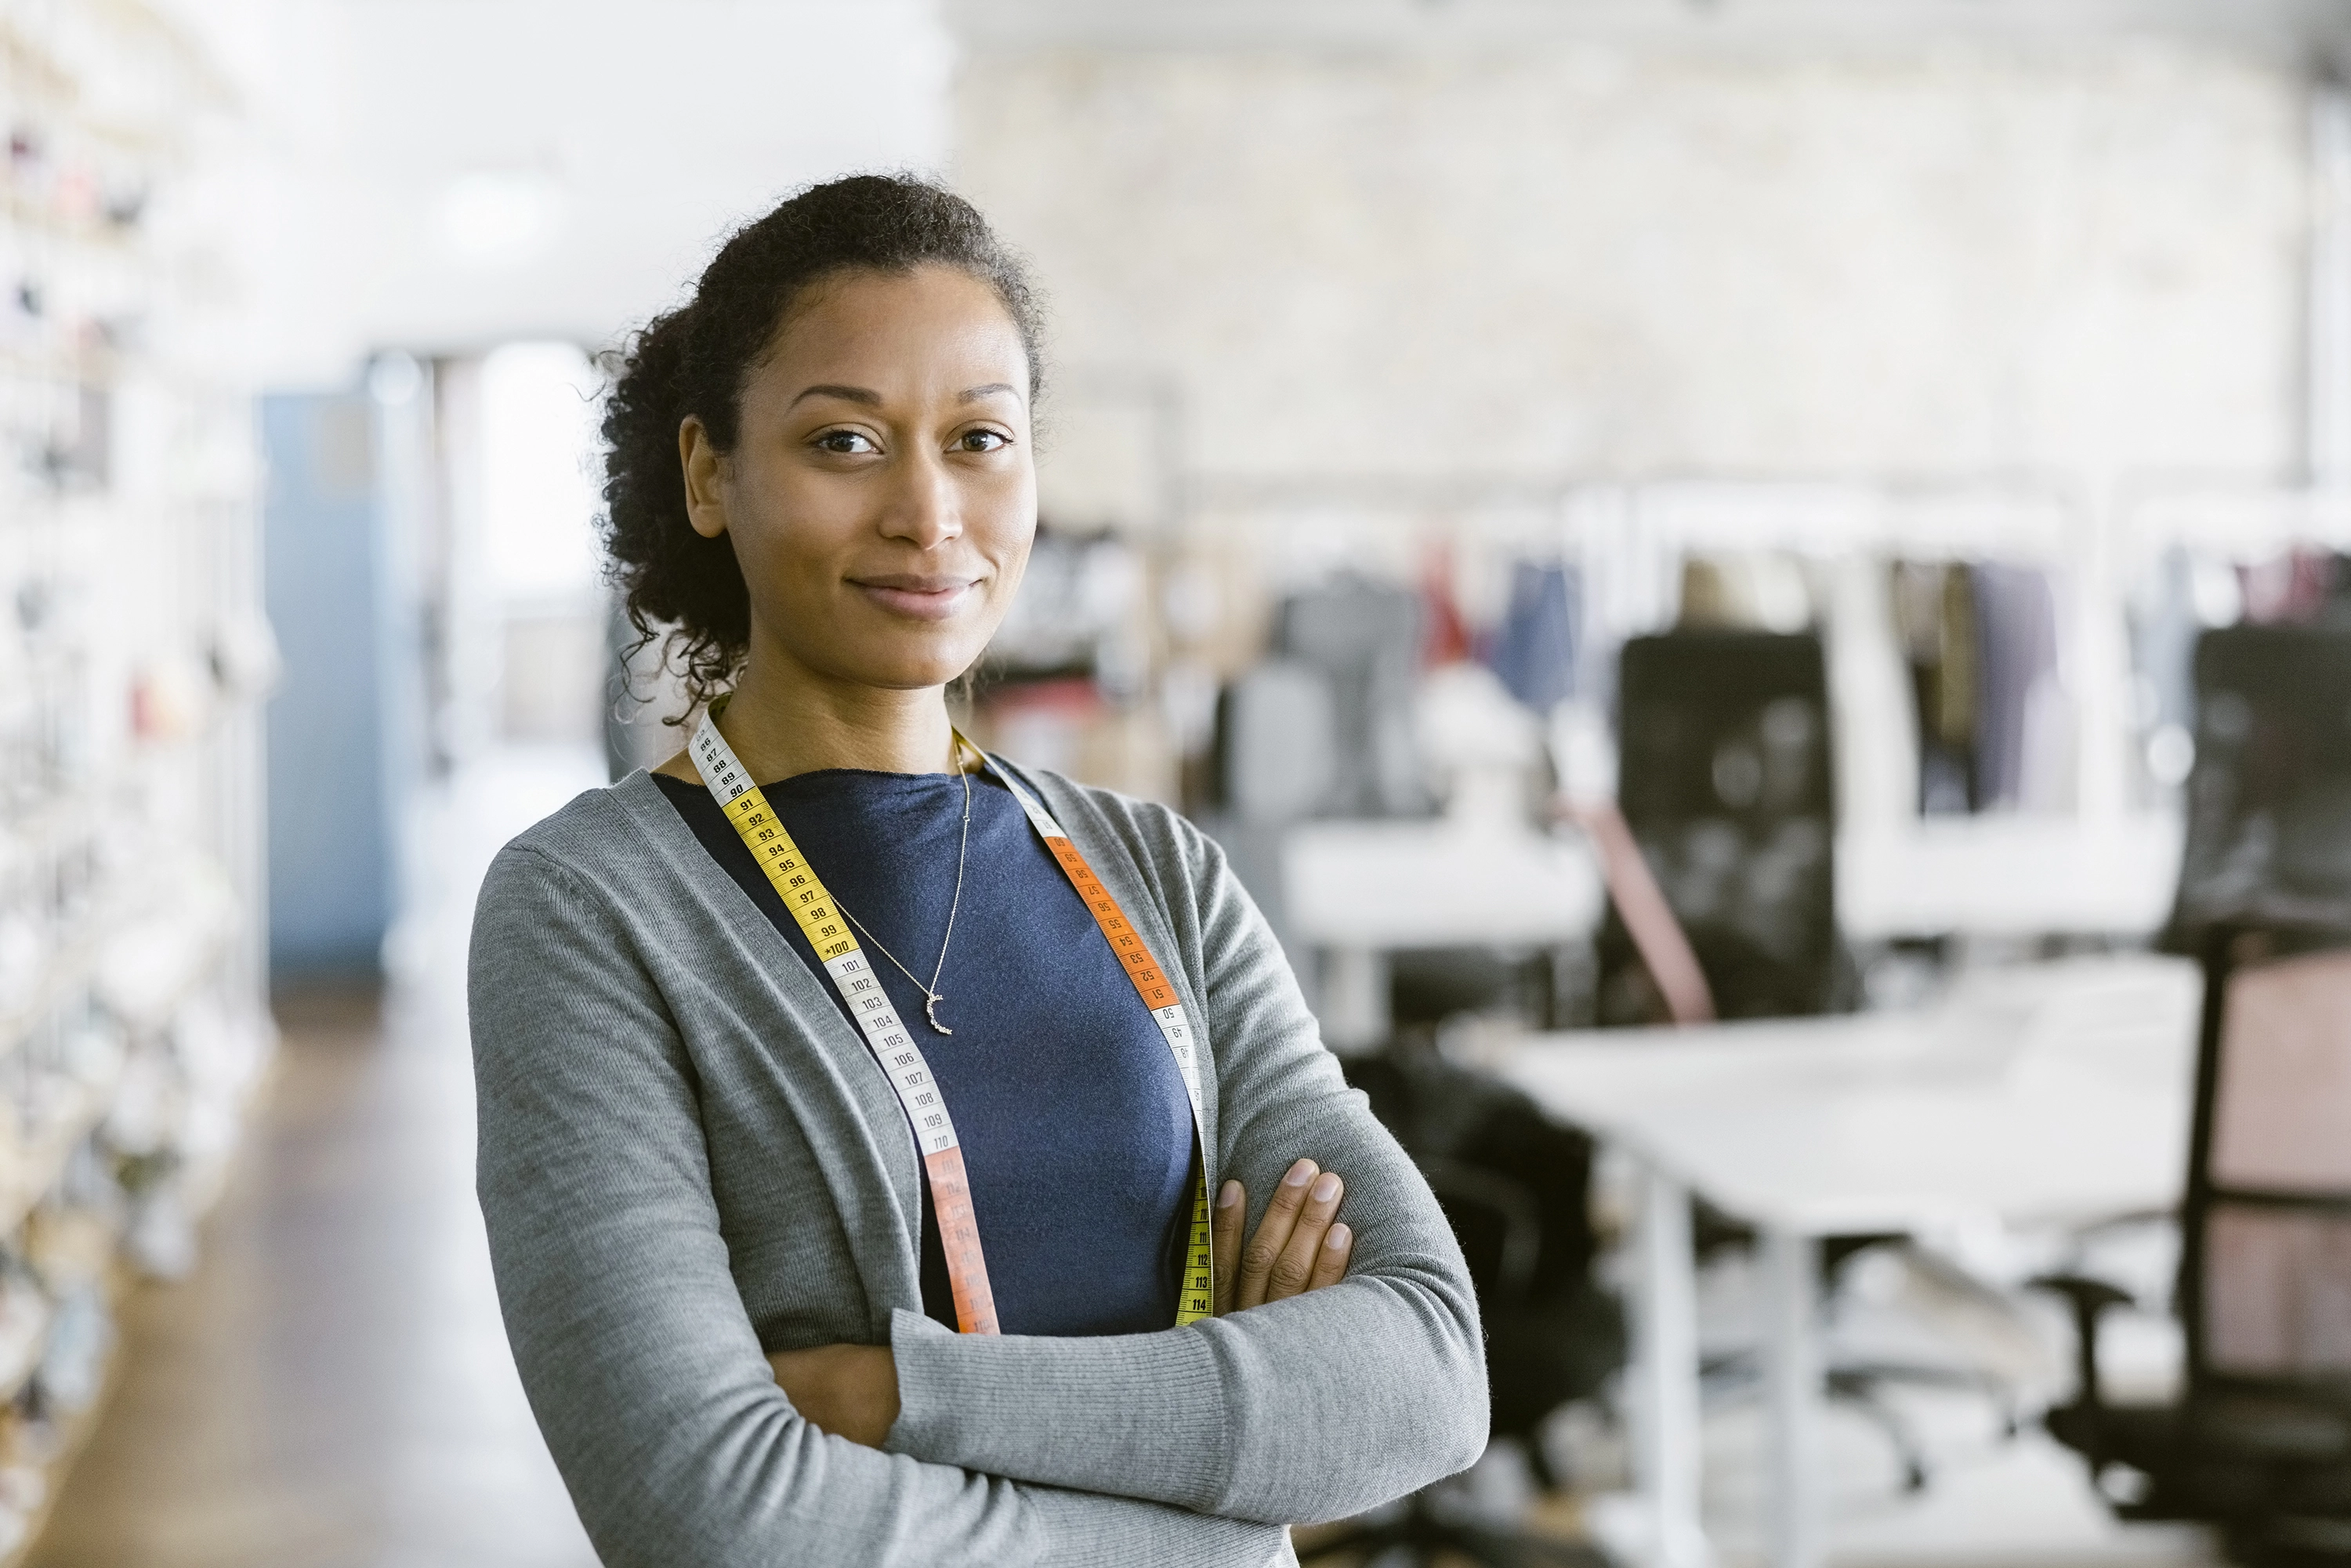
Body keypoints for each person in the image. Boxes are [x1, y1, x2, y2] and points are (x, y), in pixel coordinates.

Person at [469, 174, 1485, 1568]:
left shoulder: (1161, 878)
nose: (929, 512)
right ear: (711, 471)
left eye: (980, 440)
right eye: (844, 442)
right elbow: (716, 1516)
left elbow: (1428, 1374)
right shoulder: (589, 913)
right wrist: (1232, 1509)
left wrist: (904, 1394)